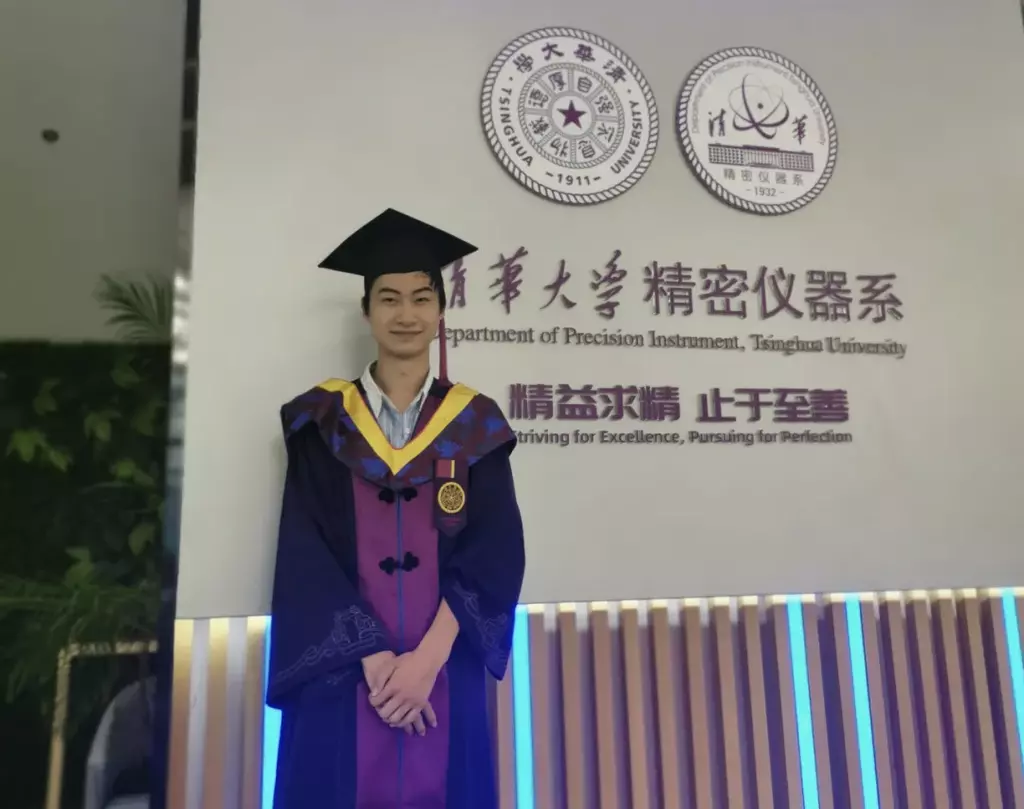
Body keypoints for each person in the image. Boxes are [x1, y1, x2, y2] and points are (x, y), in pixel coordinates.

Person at [266, 208, 525, 809]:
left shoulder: (475, 423)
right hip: (344, 673)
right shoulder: (322, 422)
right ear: (367, 312)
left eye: (420, 298)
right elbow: (304, 553)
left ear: (440, 312)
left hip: (443, 671)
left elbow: (496, 550)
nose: (405, 314)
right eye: (389, 298)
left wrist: (426, 663)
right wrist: (376, 657)